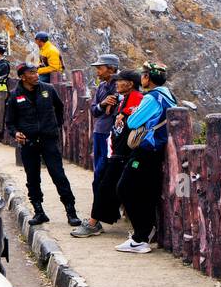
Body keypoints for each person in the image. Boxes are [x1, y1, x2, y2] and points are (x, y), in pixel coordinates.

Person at [6, 63, 80, 226]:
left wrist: (56, 126)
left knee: (58, 175)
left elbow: (60, 108)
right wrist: (15, 133)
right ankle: (39, 212)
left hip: (49, 140)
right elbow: (9, 122)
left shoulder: (48, 89)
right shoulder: (14, 95)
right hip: (28, 143)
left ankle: (71, 212)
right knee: (32, 178)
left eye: (36, 72)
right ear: (23, 76)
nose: (36, 75)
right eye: (31, 73)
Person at [72, 70, 144, 238]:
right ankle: (97, 222)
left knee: (108, 187)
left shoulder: (137, 99)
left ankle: (94, 223)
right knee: (106, 186)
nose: (116, 84)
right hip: (118, 152)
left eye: (120, 81)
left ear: (130, 84)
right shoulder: (123, 99)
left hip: (126, 154)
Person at [114, 62, 175, 253]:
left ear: (147, 77)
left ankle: (140, 237)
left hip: (147, 149)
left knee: (124, 188)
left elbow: (133, 122)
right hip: (159, 149)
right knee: (145, 192)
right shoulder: (170, 95)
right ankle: (144, 233)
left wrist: (133, 112)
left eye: (143, 75)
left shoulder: (152, 98)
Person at [88, 53, 122, 177]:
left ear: (111, 69)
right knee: (98, 167)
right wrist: (102, 104)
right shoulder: (102, 86)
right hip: (99, 131)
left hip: (111, 133)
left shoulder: (120, 86)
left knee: (104, 169)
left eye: (100, 68)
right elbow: (93, 110)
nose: (98, 72)